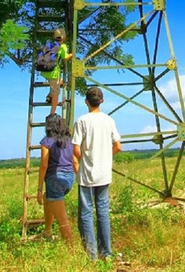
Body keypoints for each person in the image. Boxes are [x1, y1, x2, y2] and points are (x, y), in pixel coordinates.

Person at [72, 86, 122, 260]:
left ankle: (91, 256)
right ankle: (106, 253)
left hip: (87, 174)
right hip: (104, 173)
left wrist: (87, 157)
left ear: (86, 101)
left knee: (86, 213)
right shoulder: (109, 120)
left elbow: (76, 150)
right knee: (103, 212)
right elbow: (118, 146)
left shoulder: (82, 121)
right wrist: (105, 155)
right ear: (102, 100)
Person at [37, 113, 78, 244]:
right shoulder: (69, 140)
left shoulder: (47, 141)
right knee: (46, 197)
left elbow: (44, 164)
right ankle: (47, 231)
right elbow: (75, 161)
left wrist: (38, 188)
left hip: (54, 179)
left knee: (62, 218)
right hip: (69, 179)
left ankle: (70, 248)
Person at [41, 28, 73, 115]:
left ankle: (49, 96)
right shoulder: (62, 46)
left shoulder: (49, 44)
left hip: (44, 70)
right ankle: (52, 113)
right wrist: (72, 54)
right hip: (53, 72)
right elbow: (65, 57)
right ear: (63, 37)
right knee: (56, 92)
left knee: (58, 83)